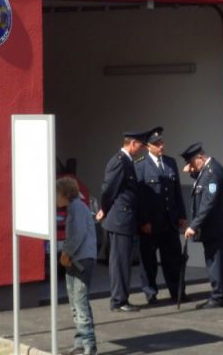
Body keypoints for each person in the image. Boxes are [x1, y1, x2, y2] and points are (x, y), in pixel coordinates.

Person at [96, 129, 151, 312]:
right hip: (120, 219)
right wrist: (104, 208)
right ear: (132, 143)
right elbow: (108, 189)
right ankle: (119, 301)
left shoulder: (127, 161)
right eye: (140, 145)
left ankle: (121, 299)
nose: (141, 149)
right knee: (120, 263)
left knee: (124, 261)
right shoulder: (120, 161)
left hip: (125, 219)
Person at [136, 126, 188, 305]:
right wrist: (143, 221)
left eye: (162, 142)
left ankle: (177, 292)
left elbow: (176, 192)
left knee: (173, 260)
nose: (161, 146)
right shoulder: (140, 165)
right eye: (157, 144)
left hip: (169, 222)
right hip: (150, 224)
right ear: (148, 146)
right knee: (149, 262)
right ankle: (150, 293)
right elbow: (139, 198)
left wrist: (181, 215)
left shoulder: (170, 162)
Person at [181, 142, 223, 308]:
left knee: (215, 263)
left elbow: (208, 203)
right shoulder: (207, 170)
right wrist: (193, 172)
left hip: (214, 226)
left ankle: (218, 296)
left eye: (192, 163)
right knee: (219, 262)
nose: (191, 166)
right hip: (214, 226)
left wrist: (194, 225)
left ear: (200, 157)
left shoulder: (212, 172)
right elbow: (202, 185)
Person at [56, 177, 97, 355]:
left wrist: (66, 253)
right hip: (76, 260)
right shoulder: (74, 208)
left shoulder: (77, 208)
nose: (55, 198)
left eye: (57, 193)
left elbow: (77, 235)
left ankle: (89, 346)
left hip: (81, 261)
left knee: (80, 304)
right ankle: (80, 343)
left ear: (65, 194)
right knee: (76, 304)